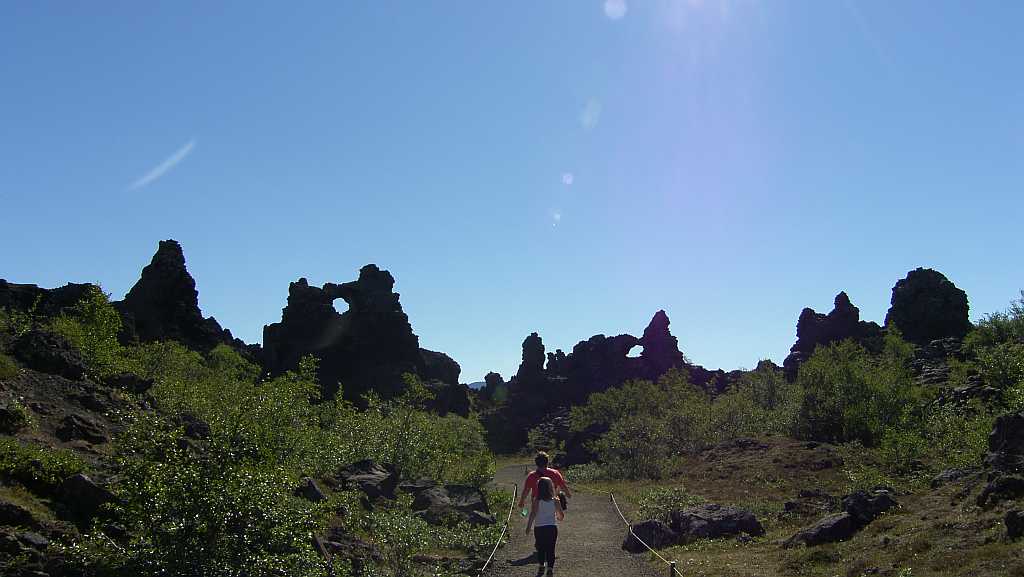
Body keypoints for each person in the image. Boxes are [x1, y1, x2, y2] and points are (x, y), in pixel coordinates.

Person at [525, 476, 564, 576]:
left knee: (541, 548)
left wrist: (528, 527)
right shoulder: (555, 500)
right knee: (551, 549)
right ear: (551, 487)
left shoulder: (536, 500)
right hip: (551, 527)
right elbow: (561, 516)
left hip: (539, 528)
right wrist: (558, 515)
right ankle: (550, 568)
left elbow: (533, 514)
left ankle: (541, 566)